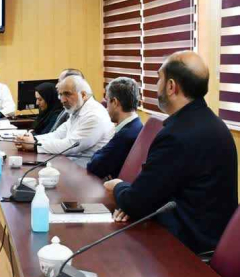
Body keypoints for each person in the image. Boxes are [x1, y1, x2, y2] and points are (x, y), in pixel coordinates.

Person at [104, 51, 238, 254]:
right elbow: (157, 191)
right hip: (210, 239)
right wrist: (137, 199)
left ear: (171, 86)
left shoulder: (177, 135)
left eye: (159, 78)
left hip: (185, 249)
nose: (156, 85)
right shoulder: (215, 124)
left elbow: (136, 203)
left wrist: (117, 186)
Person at [16, 75, 114, 161]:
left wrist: (34, 145)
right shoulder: (77, 109)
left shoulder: (94, 115)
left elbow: (71, 145)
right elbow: (58, 135)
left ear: (83, 95)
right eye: (60, 94)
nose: (62, 100)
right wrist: (32, 140)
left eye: (67, 94)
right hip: (71, 163)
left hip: (85, 170)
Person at [86, 78, 143, 180]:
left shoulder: (124, 136)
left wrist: (97, 154)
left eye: (107, 101)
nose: (106, 107)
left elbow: (94, 166)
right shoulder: (137, 125)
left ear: (115, 102)